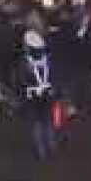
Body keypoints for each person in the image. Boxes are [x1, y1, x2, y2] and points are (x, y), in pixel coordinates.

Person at [15, 31, 57, 159]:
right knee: (48, 120)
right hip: (47, 94)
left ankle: (41, 151)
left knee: (36, 123)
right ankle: (51, 146)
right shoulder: (48, 60)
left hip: (32, 96)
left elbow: (20, 80)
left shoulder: (24, 62)